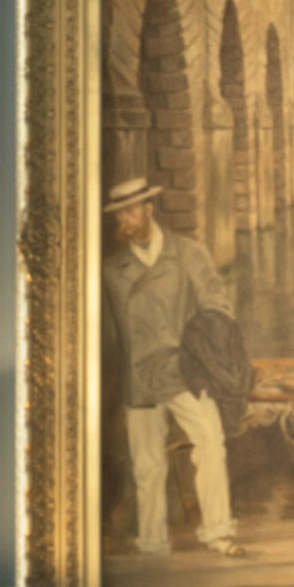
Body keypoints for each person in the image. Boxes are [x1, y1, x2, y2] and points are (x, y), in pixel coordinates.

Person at [103, 171, 242, 556]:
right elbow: (106, 334)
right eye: (118, 216)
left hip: (184, 371)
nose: (123, 221)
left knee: (211, 441)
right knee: (147, 466)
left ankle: (217, 530)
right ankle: (152, 543)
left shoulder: (187, 255)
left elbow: (216, 304)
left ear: (149, 210)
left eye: (128, 212)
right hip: (138, 379)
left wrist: (203, 349)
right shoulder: (111, 272)